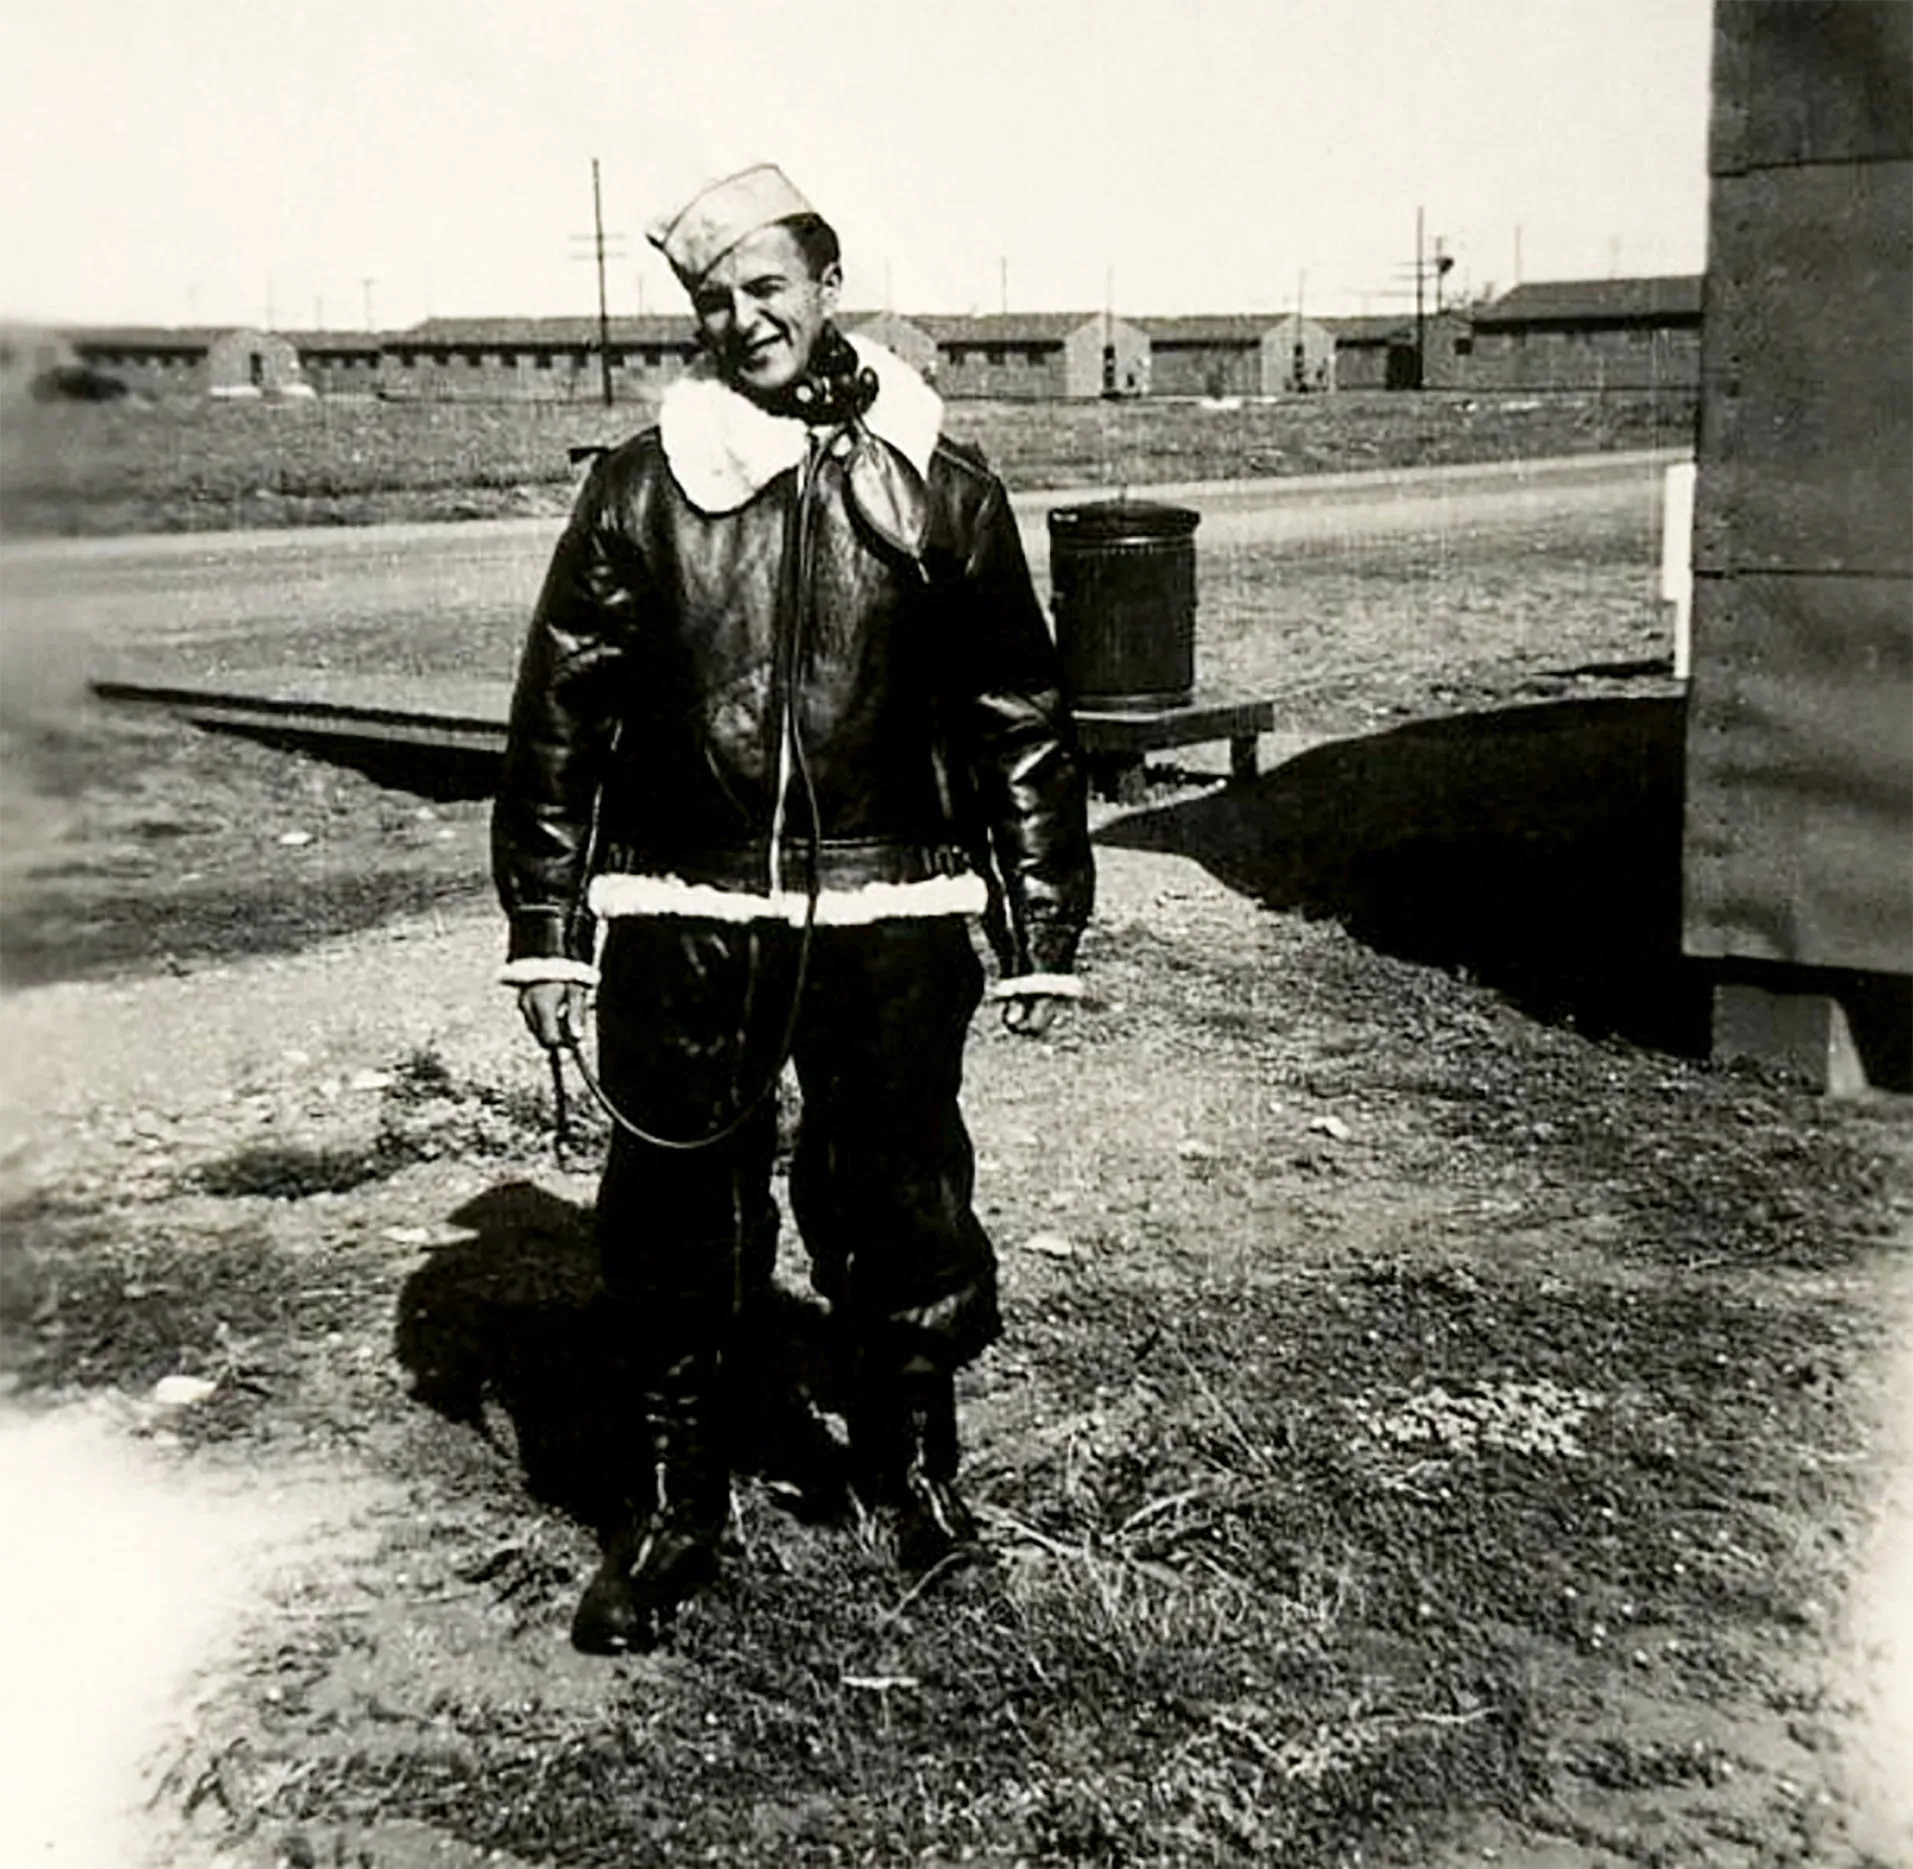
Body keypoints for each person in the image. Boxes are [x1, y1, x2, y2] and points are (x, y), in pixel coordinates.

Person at [490, 163, 1094, 1655]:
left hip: (893, 910)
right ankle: (673, 1513)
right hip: (686, 913)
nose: (741, 318)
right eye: (714, 299)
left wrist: (1039, 924)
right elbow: (560, 714)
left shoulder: (943, 484)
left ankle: (914, 1480)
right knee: (676, 1213)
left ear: (828, 286)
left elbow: (1016, 709)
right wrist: (550, 926)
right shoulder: (643, 483)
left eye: (767, 287)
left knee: (899, 1195)